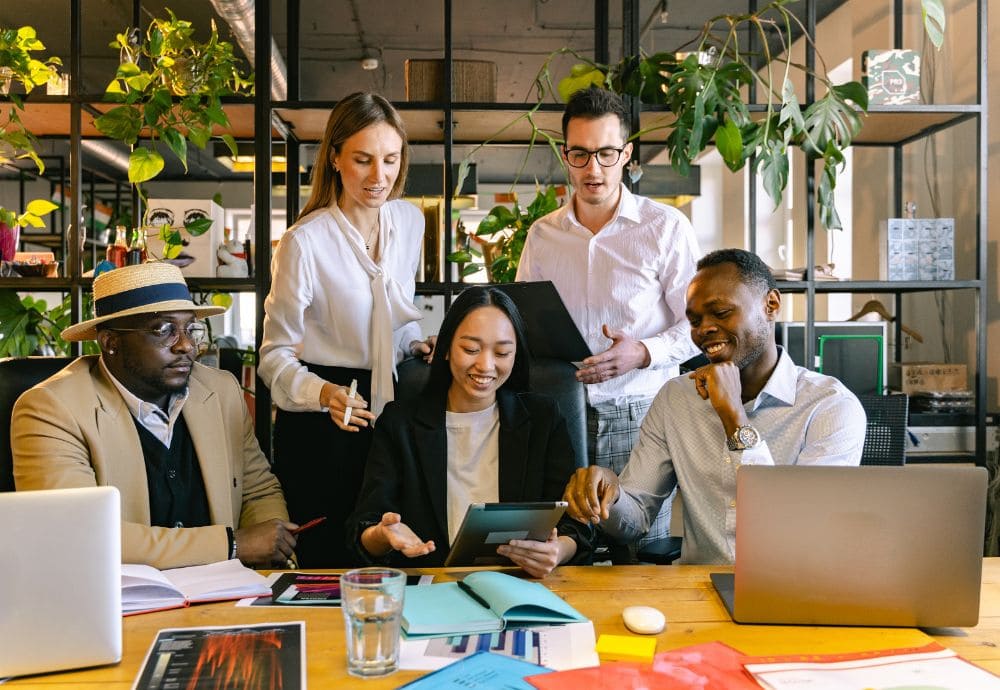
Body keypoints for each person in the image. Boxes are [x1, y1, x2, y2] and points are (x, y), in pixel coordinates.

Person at [562, 249, 867, 564]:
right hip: (700, 592)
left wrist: (733, 416)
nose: (703, 329)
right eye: (694, 320)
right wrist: (610, 495)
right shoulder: (676, 399)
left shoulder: (830, 407)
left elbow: (796, 526)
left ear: (771, 305)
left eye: (720, 312)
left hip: (793, 589)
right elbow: (636, 517)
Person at [11, 262, 296, 570]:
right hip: (124, 604)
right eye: (163, 330)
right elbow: (78, 534)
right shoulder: (51, 408)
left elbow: (258, 491)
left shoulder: (220, 390)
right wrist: (233, 545)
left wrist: (273, 555)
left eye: (189, 329)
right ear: (110, 342)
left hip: (226, 593)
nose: (186, 345)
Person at [515, 86, 701, 554]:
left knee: (637, 552)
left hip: (642, 414)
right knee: (558, 549)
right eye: (580, 154)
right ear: (565, 154)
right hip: (561, 413)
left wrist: (642, 351)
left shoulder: (665, 228)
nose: (593, 169)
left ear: (627, 154)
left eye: (606, 153)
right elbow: (517, 321)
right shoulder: (543, 235)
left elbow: (698, 326)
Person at [258, 92, 435, 567]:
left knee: (392, 548)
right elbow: (272, 356)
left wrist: (415, 344)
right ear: (335, 158)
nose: (380, 177)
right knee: (326, 562)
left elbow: (391, 322)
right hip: (323, 422)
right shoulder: (305, 242)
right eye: (363, 160)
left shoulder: (411, 222)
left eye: (391, 160)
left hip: (388, 416)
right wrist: (323, 394)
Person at [346, 286, 593, 578]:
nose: (486, 365)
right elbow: (364, 530)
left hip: (521, 584)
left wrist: (557, 550)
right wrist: (383, 535)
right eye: (471, 349)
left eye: (502, 352)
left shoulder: (543, 419)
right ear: (446, 349)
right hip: (432, 588)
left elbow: (575, 523)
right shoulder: (400, 423)